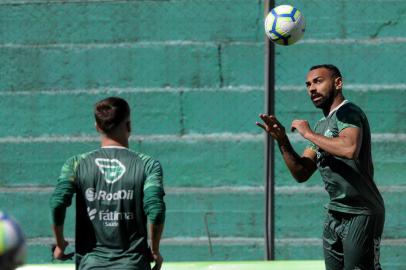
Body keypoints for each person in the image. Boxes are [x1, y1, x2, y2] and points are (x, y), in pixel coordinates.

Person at [256, 64, 385, 270]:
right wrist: (282, 141)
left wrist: (307, 134)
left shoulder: (348, 112)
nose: (311, 89)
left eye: (318, 81)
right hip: (335, 213)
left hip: (361, 212)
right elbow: (302, 172)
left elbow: (349, 148)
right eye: (308, 85)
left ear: (338, 83)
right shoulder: (321, 125)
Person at [50, 97, 166, 270]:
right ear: (129, 126)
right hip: (133, 264)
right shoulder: (148, 164)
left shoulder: (75, 163)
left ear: (97, 127)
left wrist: (60, 244)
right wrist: (155, 250)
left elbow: (58, 202)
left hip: (91, 265)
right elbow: (155, 210)